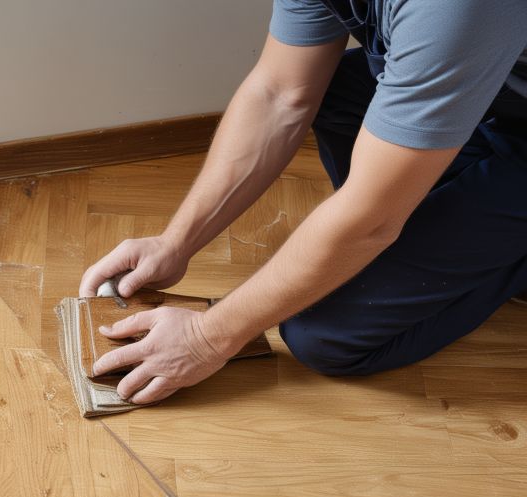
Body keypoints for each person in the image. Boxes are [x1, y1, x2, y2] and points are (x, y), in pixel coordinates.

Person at [79, 0, 527, 405]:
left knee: (322, 335)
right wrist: (177, 241)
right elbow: (280, 95)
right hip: (490, 103)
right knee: (338, 93)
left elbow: (371, 223)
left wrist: (207, 337)